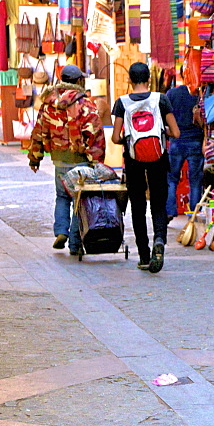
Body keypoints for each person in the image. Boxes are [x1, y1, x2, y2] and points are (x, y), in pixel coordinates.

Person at [27, 65, 106, 255]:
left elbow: (38, 131)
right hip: (80, 161)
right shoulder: (86, 105)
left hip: (59, 160)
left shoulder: (48, 103)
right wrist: (97, 160)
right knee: (80, 200)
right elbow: (95, 133)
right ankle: (74, 243)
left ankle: (61, 231)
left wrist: (35, 158)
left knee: (62, 196)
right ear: (79, 81)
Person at [111, 63, 179, 273]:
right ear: (149, 78)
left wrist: (127, 139)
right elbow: (175, 133)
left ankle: (144, 255)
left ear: (130, 80)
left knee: (138, 207)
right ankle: (159, 239)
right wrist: (162, 132)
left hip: (133, 161)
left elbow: (115, 137)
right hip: (158, 158)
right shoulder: (161, 99)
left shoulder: (122, 103)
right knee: (158, 203)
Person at [164, 81, 204, 219]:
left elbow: (164, 116)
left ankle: (170, 210)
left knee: (171, 178)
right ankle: (194, 213)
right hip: (196, 141)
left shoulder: (172, 94)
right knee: (195, 181)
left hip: (177, 141)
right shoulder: (199, 94)